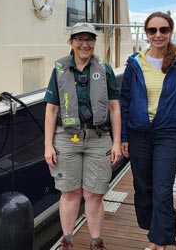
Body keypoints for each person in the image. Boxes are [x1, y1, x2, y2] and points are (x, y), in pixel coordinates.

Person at [44, 22, 122, 250]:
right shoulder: (59, 69)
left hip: (98, 138)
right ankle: (67, 240)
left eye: (89, 39)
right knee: (70, 192)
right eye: (79, 39)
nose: (84, 44)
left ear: (94, 43)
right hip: (67, 138)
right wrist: (48, 145)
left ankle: (96, 242)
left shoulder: (104, 69)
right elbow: (51, 109)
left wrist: (116, 142)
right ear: (71, 42)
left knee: (94, 193)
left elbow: (114, 108)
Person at [120, 12, 176, 250]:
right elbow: (125, 101)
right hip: (138, 133)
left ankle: (159, 241)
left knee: (162, 187)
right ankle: (155, 231)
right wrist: (124, 137)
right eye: (152, 31)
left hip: (167, 133)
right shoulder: (135, 63)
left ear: (170, 31)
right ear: (146, 34)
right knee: (144, 187)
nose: (158, 35)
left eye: (163, 30)